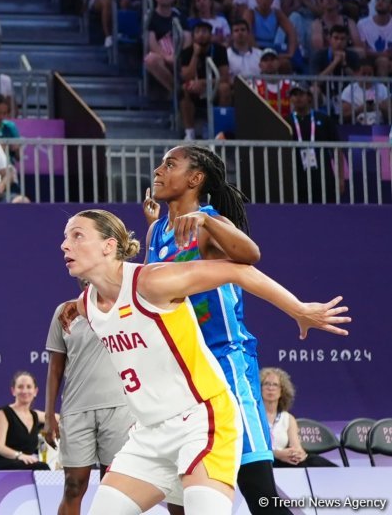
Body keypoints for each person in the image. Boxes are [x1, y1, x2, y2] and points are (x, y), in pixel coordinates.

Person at [60, 210, 348, 515]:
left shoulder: (152, 281)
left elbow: (237, 271)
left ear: (108, 246)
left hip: (202, 421)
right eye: (65, 237)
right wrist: (73, 307)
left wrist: (299, 309)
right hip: (149, 433)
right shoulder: (87, 303)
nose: (65, 245)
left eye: (77, 236)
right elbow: (104, 307)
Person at [142, 144, 283, 511]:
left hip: (225, 363)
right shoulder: (156, 232)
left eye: (169, 164)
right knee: (180, 499)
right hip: (184, 374)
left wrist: (207, 222)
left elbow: (250, 255)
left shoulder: (210, 223)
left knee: (259, 492)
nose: (158, 170)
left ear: (195, 178)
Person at [45, 297, 133, 515]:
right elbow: (55, 369)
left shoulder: (127, 304)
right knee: (73, 486)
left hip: (119, 409)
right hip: (76, 409)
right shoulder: (64, 312)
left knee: (113, 489)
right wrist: (49, 416)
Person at [259, 367, 333, 468]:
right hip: (261, 460)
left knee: (314, 461)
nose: (271, 388)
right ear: (260, 389)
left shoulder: (288, 418)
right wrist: (277, 454)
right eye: (267, 384)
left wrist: (298, 454)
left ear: (282, 391)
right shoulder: (252, 416)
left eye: (275, 385)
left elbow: (296, 446)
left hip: (283, 459)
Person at [0, 371, 48, 470]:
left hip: (25, 462)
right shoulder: (4, 413)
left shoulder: (35, 415)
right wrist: (19, 455)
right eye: (20, 387)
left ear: (35, 391)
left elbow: (60, 419)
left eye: (29, 387)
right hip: (2, 462)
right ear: (13, 391)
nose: (24, 391)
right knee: (42, 467)